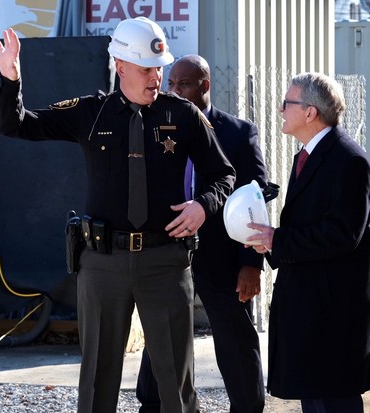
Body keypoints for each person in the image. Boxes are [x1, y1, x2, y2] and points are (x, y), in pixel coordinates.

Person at [0, 17, 235, 413]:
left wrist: (203, 206)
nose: (156, 77)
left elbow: (222, 173)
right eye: (146, 69)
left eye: (159, 69)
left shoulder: (184, 115)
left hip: (166, 262)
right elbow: (16, 125)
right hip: (104, 263)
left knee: (177, 383)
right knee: (97, 382)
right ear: (120, 66)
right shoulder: (90, 112)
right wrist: (11, 80)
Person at [136, 54, 268, 413]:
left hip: (223, 258)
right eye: (172, 84)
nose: (174, 91)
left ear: (205, 86)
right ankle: (153, 404)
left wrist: (251, 263)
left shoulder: (238, 134)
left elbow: (254, 201)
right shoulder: (156, 127)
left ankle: (247, 407)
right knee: (161, 333)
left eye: (185, 84)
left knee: (234, 339)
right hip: (166, 253)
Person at [246, 72, 370, 413]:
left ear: (309, 112)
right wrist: (272, 242)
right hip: (312, 307)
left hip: (335, 312)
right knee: (315, 398)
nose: (280, 110)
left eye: (287, 103)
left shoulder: (349, 160)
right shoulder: (308, 155)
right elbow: (309, 226)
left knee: (335, 402)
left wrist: (280, 240)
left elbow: (341, 235)